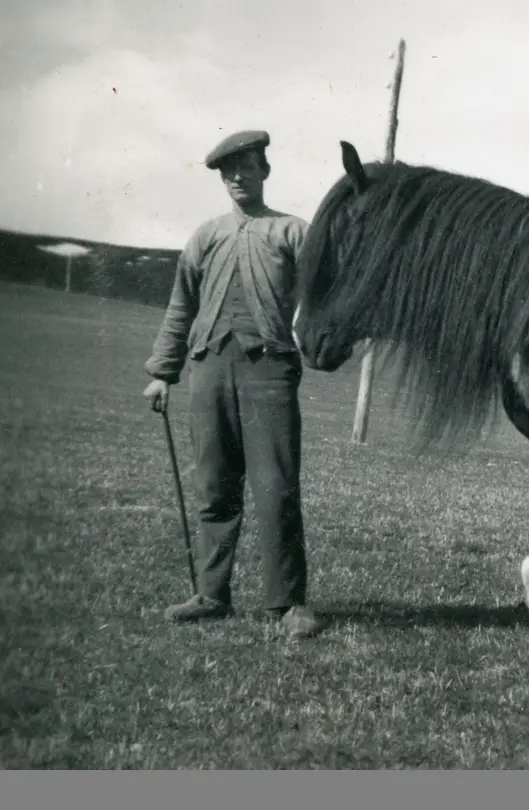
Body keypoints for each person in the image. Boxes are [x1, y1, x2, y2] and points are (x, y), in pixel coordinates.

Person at [142, 129, 323, 639]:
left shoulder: (293, 232)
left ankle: (287, 605)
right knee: (214, 486)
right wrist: (162, 373)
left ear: (265, 171)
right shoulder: (206, 235)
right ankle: (210, 594)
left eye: (246, 168)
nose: (237, 178)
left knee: (275, 488)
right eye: (228, 172)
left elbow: (324, 290)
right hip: (209, 369)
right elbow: (181, 307)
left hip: (269, 370)